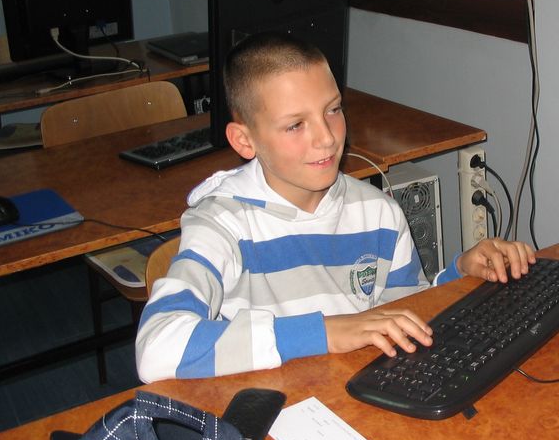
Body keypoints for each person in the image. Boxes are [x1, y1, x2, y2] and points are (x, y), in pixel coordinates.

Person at [135, 32, 535, 383]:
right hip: (274, 409)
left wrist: (459, 274)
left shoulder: (378, 214)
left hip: (350, 396)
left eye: (333, 110)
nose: (326, 138)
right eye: (296, 125)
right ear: (244, 141)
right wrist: (327, 332)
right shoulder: (222, 223)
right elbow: (155, 347)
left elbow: (402, 312)